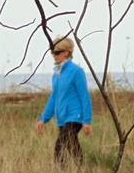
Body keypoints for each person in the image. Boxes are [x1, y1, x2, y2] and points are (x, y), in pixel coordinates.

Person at [35, 37, 93, 165]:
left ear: (67, 52)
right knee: (70, 147)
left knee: (60, 147)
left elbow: (84, 96)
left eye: (57, 52)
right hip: (62, 118)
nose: (54, 56)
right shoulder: (56, 74)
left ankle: (76, 172)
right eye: (53, 52)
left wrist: (87, 121)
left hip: (75, 116)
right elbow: (54, 97)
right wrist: (43, 119)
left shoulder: (76, 71)